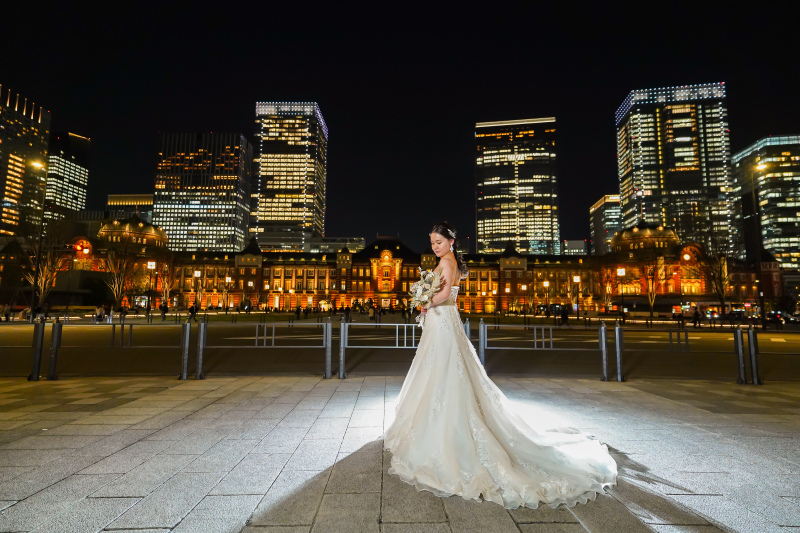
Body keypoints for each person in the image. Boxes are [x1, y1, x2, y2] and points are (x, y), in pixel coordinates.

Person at [384, 221, 616, 510]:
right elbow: (444, 292)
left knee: (443, 367)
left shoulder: (447, 262)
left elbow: (444, 295)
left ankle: (441, 423)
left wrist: (425, 300)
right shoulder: (447, 261)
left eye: (439, 242)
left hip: (442, 319)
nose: (435, 246)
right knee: (443, 367)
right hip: (443, 322)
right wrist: (426, 298)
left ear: (451, 242)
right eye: (432, 242)